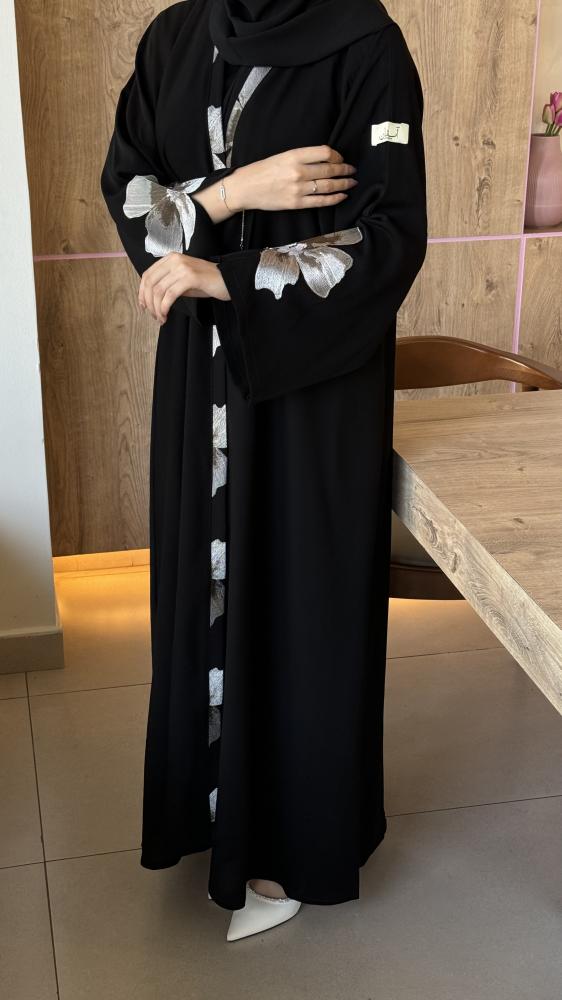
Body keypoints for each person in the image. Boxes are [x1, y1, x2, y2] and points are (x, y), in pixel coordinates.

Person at [100, 0, 427, 942]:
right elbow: (131, 187)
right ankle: (210, 815)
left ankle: (290, 849)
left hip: (313, 391)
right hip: (200, 376)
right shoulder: (174, 38)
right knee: (202, 591)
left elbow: (389, 236)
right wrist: (231, 195)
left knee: (298, 598)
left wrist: (232, 276)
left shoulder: (365, 48)